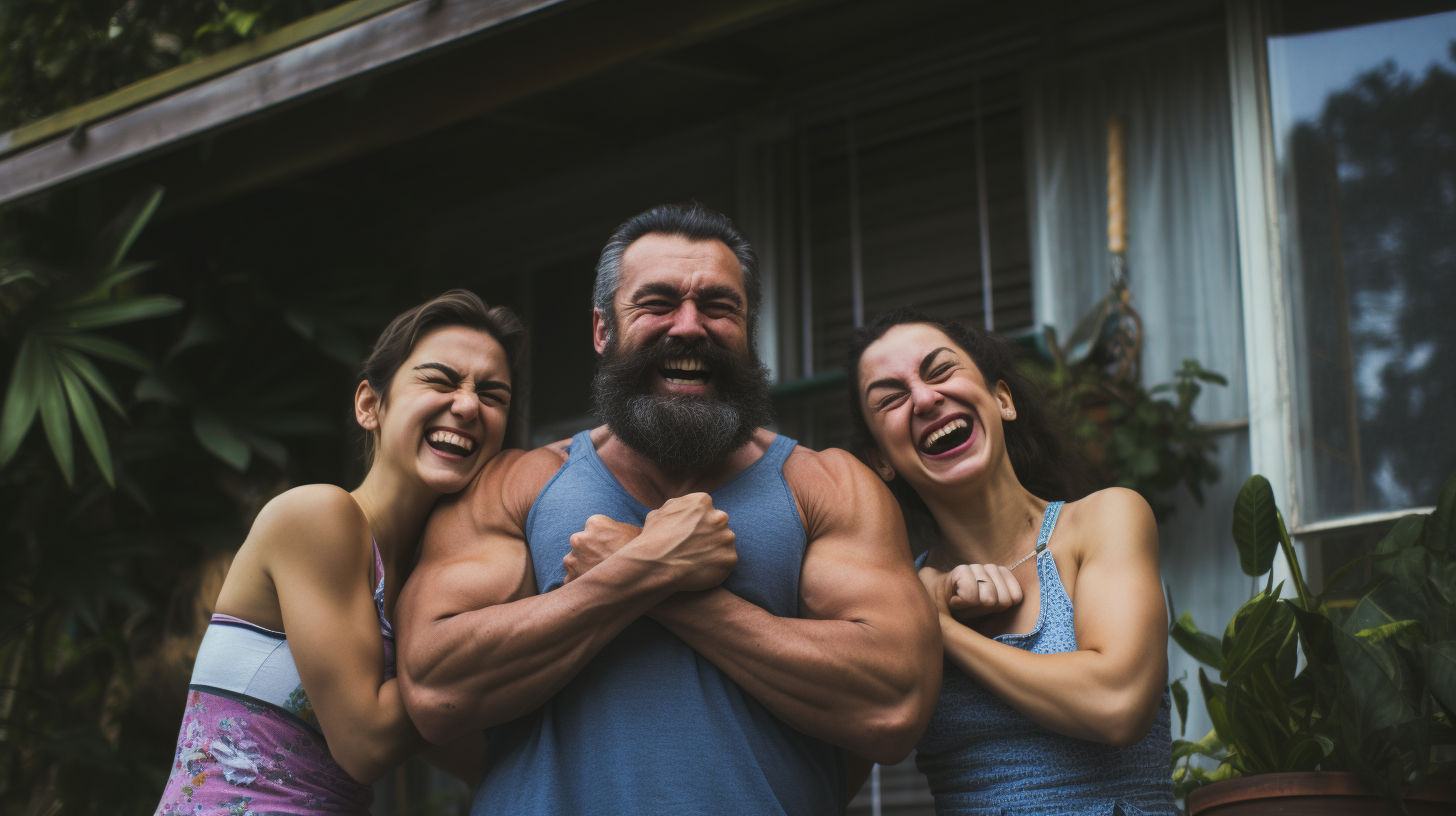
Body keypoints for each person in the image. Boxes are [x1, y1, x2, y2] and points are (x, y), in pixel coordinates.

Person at [396, 204, 941, 816]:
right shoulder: (517, 483)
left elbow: (892, 707)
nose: (689, 326)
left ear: (747, 326)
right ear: (603, 330)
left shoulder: (828, 486)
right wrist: (644, 568)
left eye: (718, 306)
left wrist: (647, 575)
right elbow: (434, 691)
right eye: (656, 303)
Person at [154, 290, 525, 815]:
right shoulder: (317, 516)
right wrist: (536, 616)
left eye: (493, 395)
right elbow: (366, 742)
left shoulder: (426, 585)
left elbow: (468, 749)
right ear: (370, 405)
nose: (467, 405)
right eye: (440, 380)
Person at [845, 307, 1176, 815]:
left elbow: (1119, 704)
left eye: (941, 371)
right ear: (880, 462)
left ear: (1003, 400)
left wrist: (941, 629)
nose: (926, 398)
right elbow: (841, 763)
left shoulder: (1105, 519)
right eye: (892, 398)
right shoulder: (895, 594)